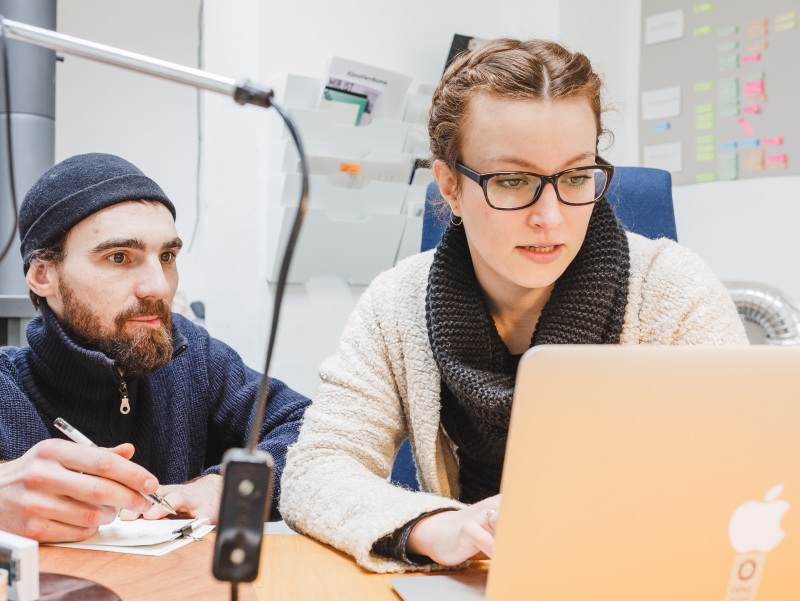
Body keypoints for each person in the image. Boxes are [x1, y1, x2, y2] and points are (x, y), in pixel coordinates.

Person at [279, 38, 748, 572]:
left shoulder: (672, 288)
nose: (550, 217)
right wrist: (436, 525)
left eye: (574, 177)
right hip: (477, 581)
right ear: (450, 186)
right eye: (513, 181)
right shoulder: (395, 302)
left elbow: (738, 472)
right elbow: (316, 468)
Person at [0, 153, 310, 543]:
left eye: (166, 256)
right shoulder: (5, 387)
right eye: (118, 257)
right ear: (43, 274)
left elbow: (310, 430)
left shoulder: (194, 358)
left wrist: (221, 488)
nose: (159, 287)